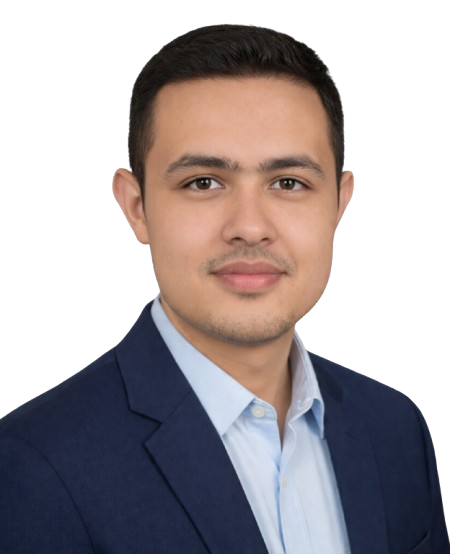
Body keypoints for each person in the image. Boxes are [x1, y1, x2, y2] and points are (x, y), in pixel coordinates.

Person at [1, 24, 447, 554]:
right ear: (136, 207)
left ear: (339, 203)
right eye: (203, 182)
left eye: (288, 182)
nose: (250, 227)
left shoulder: (395, 427)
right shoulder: (29, 463)